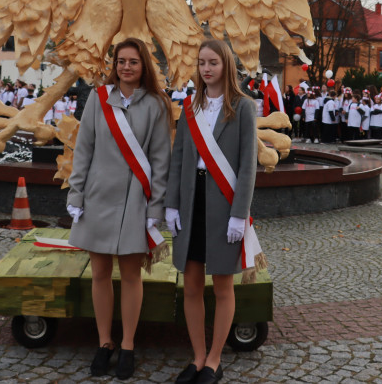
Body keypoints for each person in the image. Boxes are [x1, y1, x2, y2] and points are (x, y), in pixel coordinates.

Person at [66, 38, 172, 379]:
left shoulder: (157, 104)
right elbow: (83, 151)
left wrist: (155, 206)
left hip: (134, 202)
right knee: (98, 274)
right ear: (115, 65)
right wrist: (76, 196)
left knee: (130, 275)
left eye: (133, 62)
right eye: (121, 61)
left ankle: (127, 345)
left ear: (144, 66)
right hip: (97, 197)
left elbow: (160, 160)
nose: (126, 67)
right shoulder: (98, 100)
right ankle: (104, 342)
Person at [166, 38, 260, 384]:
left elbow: (248, 165)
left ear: (226, 66)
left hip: (223, 204)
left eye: (213, 63)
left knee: (222, 285)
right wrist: (172, 203)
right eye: (202, 63)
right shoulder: (190, 107)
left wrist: (240, 213)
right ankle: (197, 357)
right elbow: (178, 160)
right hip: (192, 202)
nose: (206, 69)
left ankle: (215, 361)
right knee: (191, 284)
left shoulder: (243, 107)